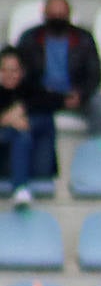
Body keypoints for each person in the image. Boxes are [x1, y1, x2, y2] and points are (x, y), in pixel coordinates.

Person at [15, 0, 101, 136]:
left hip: (74, 94)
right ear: (45, 15)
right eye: (53, 15)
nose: (57, 18)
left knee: (98, 104)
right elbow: (22, 75)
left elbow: (94, 74)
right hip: (42, 96)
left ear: (68, 15)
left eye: (61, 14)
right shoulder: (30, 39)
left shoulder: (84, 39)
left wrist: (81, 94)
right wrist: (47, 97)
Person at [0, 48, 60, 209]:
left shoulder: (34, 92)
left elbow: (55, 101)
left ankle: (20, 188)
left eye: (14, 70)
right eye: (3, 70)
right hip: (4, 159)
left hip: (36, 162)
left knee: (25, 131)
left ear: (22, 71)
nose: (8, 75)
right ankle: (20, 189)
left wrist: (21, 110)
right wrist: (4, 120)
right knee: (19, 132)